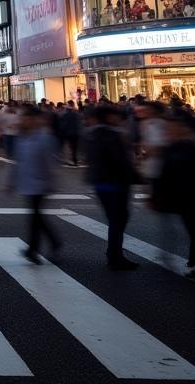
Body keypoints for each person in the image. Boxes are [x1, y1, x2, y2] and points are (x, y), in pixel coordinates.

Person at [153, 113, 195, 278]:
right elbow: (164, 174)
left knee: (194, 232)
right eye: (168, 129)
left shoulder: (192, 148)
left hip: (194, 197)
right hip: (181, 197)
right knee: (193, 231)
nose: (169, 132)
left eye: (172, 129)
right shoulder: (173, 148)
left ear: (182, 130)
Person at [85, 104, 139, 270]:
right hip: (115, 183)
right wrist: (137, 177)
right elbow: (120, 160)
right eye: (115, 115)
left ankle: (114, 253)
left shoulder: (92, 134)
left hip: (100, 182)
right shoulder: (112, 135)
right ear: (108, 117)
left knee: (115, 220)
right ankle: (115, 255)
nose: (118, 118)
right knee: (118, 220)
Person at [6, 106, 60, 264]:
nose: (25, 121)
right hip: (27, 183)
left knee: (35, 217)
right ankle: (53, 242)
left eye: (28, 118)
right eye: (24, 118)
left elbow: (51, 163)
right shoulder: (22, 137)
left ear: (36, 120)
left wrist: (52, 181)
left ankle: (33, 250)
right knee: (37, 217)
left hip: (40, 184)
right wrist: (10, 182)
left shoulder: (45, 138)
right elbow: (16, 162)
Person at [58, 101, 81, 166]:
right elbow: (78, 123)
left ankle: (69, 160)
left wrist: (62, 131)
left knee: (68, 146)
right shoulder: (76, 114)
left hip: (68, 133)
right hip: (75, 133)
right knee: (74, 148)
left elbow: (63, 125)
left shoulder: (64, 115)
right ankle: (74, 160)